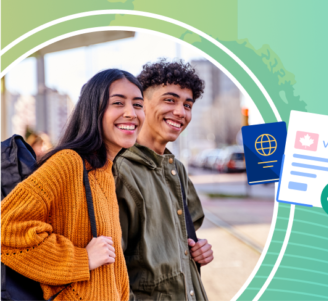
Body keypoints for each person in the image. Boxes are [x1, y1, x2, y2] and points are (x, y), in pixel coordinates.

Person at [0, 69, 140, 300]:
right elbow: (5, 228)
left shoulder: (105, 172)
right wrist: (82, 259)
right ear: (94, 109)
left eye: (137, 104)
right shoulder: (70, 162)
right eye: (118, 103)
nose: (131, 113)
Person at [115, 59, 213, 300]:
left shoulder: (176, 170)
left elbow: (180, 243)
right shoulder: (120, 170)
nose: (180, 112)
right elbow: (111, 269)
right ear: (141, 105)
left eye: (187, 105)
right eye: (169, 100)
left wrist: (197, 250)